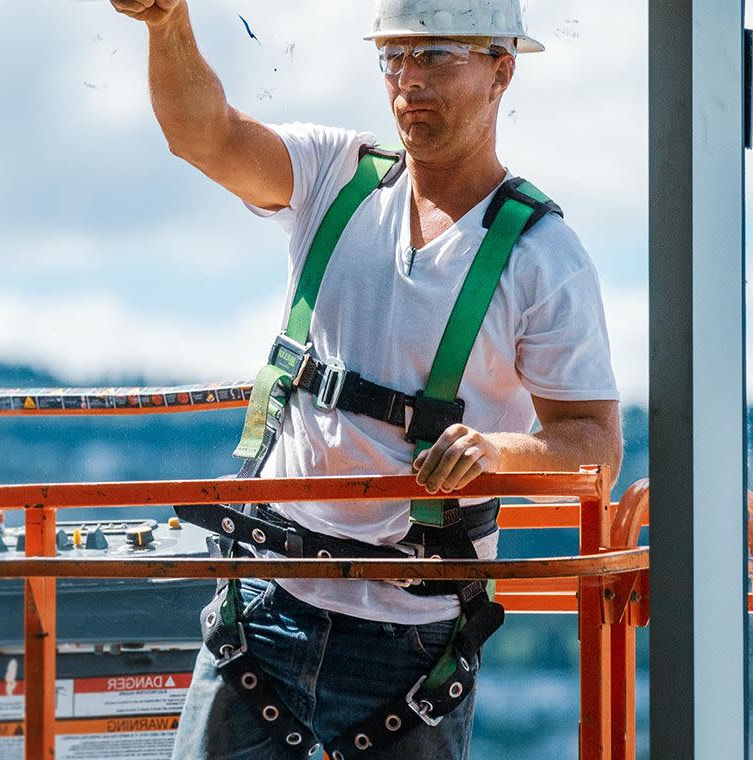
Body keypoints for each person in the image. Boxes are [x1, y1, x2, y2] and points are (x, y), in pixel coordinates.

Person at [111, 1, 623, 757]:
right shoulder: (335, 178)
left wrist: (494, 454)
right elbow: (205, 134)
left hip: (410, 644)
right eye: (394, 57)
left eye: (436, 56)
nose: (408, 80)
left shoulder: (542, 257)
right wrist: (167, 23)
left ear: (501, 71)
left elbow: (593, 450)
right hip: (267, 601)